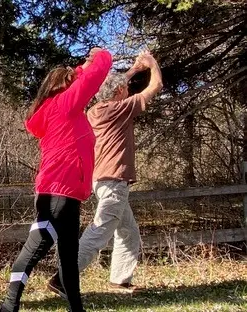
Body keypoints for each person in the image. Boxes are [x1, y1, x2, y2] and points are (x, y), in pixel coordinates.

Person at [0, 48, 113, 312]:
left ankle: (76, 309)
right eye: (73, 80)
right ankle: (7, 306)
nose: (78, 82)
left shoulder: (58, 108)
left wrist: (82, 65)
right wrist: (100, 55)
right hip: (57, 192)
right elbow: (93, 76)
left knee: (69, 257)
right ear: (65, 85)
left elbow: (82, 77)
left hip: (65, 193)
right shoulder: (66, 104)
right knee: (36, 247)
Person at [47, 51, 163, 296]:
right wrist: (151, 65)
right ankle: (61, 278)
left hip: (102, 179)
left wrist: (133, 69)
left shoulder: (95, 111)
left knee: (128, 232)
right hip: (114, 181)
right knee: (99, 230)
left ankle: (120, 280)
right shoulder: (120, 109)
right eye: (125, 88)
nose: (128, 90)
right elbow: (156, 86)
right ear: (119, 93)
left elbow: (113, 85)